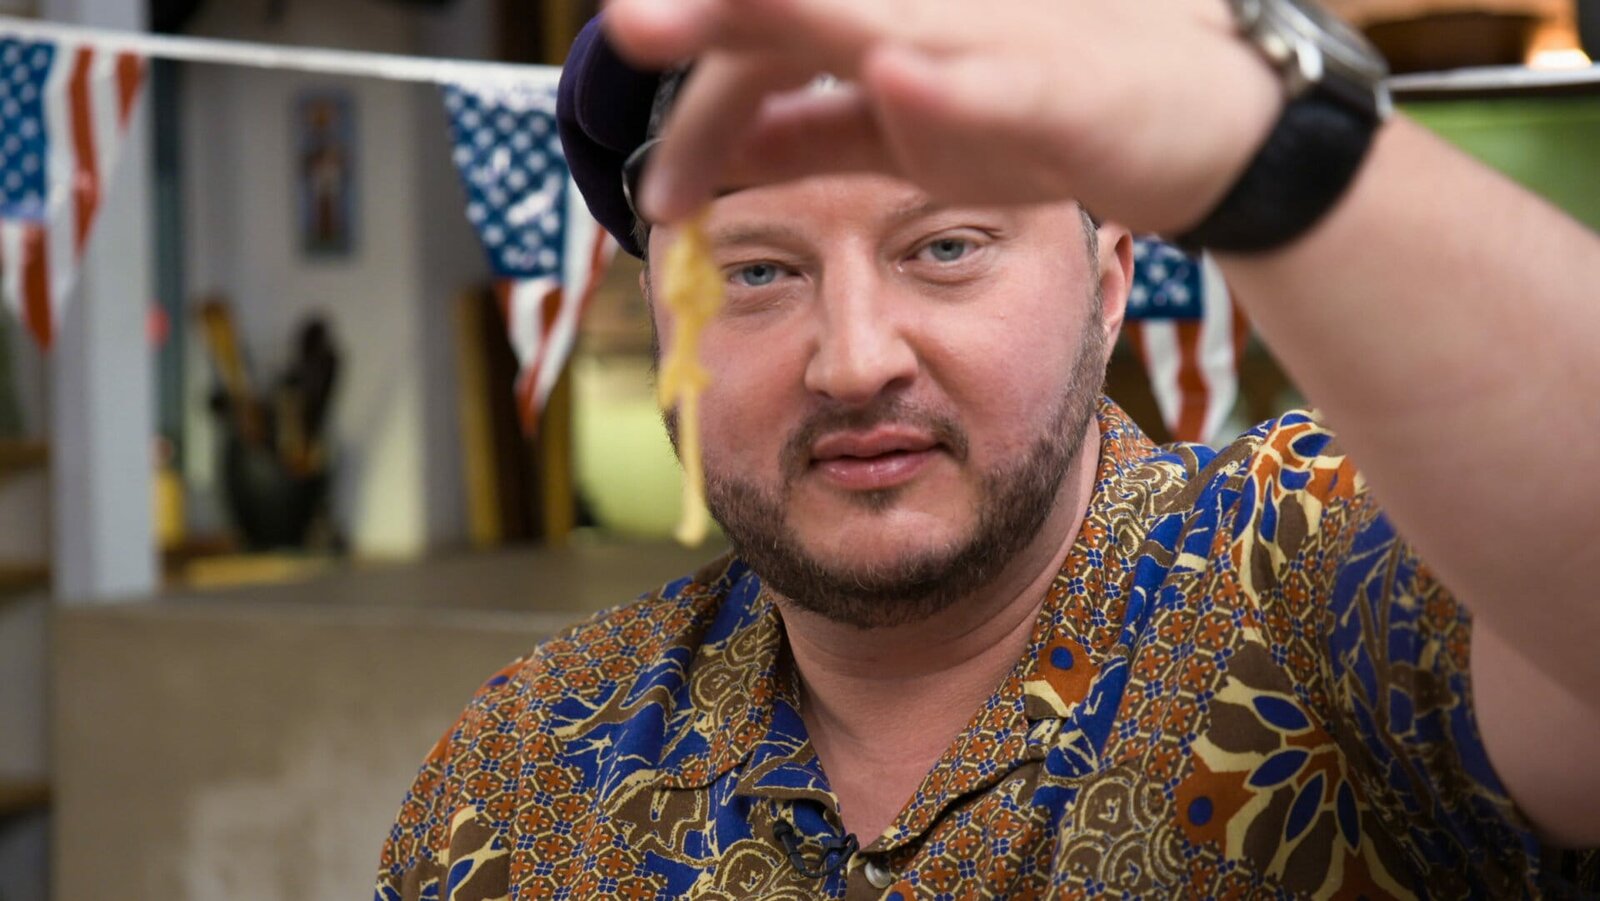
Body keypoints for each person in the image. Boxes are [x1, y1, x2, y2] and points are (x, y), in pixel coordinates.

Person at [376, 0, 1600, 896]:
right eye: (756, 271)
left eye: (946, 247)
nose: (853, 359)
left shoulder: (1313, 569)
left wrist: (1278, 147)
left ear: (1108, 285)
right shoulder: (526, 771)